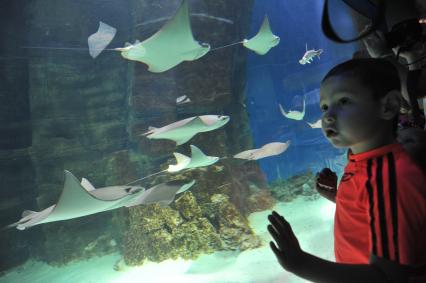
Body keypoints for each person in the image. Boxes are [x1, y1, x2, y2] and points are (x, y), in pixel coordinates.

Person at [267, 58, 426, 283]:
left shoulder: (392, 177)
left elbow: (388, 277)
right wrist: (339, 197)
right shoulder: (363, 160)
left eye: (343, 101)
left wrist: (301, 263)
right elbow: (373, 209)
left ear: (388, 106)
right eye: (324, 106)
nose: (327, 116)